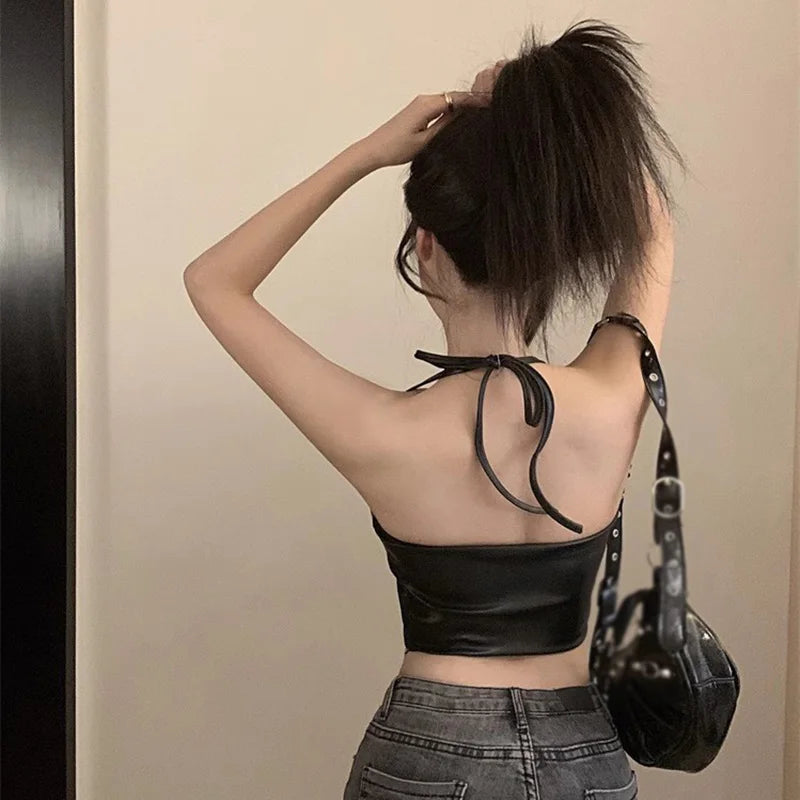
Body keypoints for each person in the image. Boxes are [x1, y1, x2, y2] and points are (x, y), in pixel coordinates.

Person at [183, 17, 686, 800]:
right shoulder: (612, 397)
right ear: (548, 248)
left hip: (428, 748)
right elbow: (653, 226)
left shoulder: (381, 430)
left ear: (424, 245)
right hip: (585, 752)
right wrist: (534, 122)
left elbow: (213, 281)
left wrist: (369, 152)